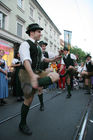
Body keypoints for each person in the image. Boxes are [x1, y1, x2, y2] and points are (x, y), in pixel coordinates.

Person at [18, 23, 61, 135]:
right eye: (39, 31)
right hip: (26, 73)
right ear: (32, 32)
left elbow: (42, 59)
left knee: (56, 76)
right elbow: (26, 60)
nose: (41, 34)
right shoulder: (25, 44)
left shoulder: (37, 47)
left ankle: (35, 84)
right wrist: (32, 76)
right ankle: (22, 124)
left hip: (37, 72)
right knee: (29, 99)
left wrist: (53, 60)